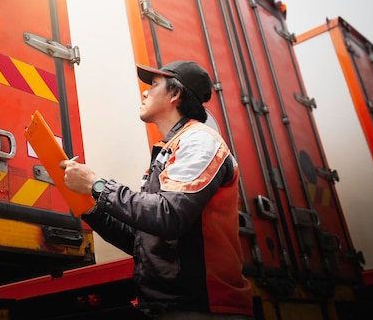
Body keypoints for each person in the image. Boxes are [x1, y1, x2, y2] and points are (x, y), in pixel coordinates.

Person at [60, 60, 254, 320]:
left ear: (175, 94)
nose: (144, 92)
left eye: (153, 85)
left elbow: (168, 215)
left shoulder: (199, 141)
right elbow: (141, 241)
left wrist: (97, 186)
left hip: (203, 307)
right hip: (174, 306)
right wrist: (90, 205)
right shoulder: (171, 150)